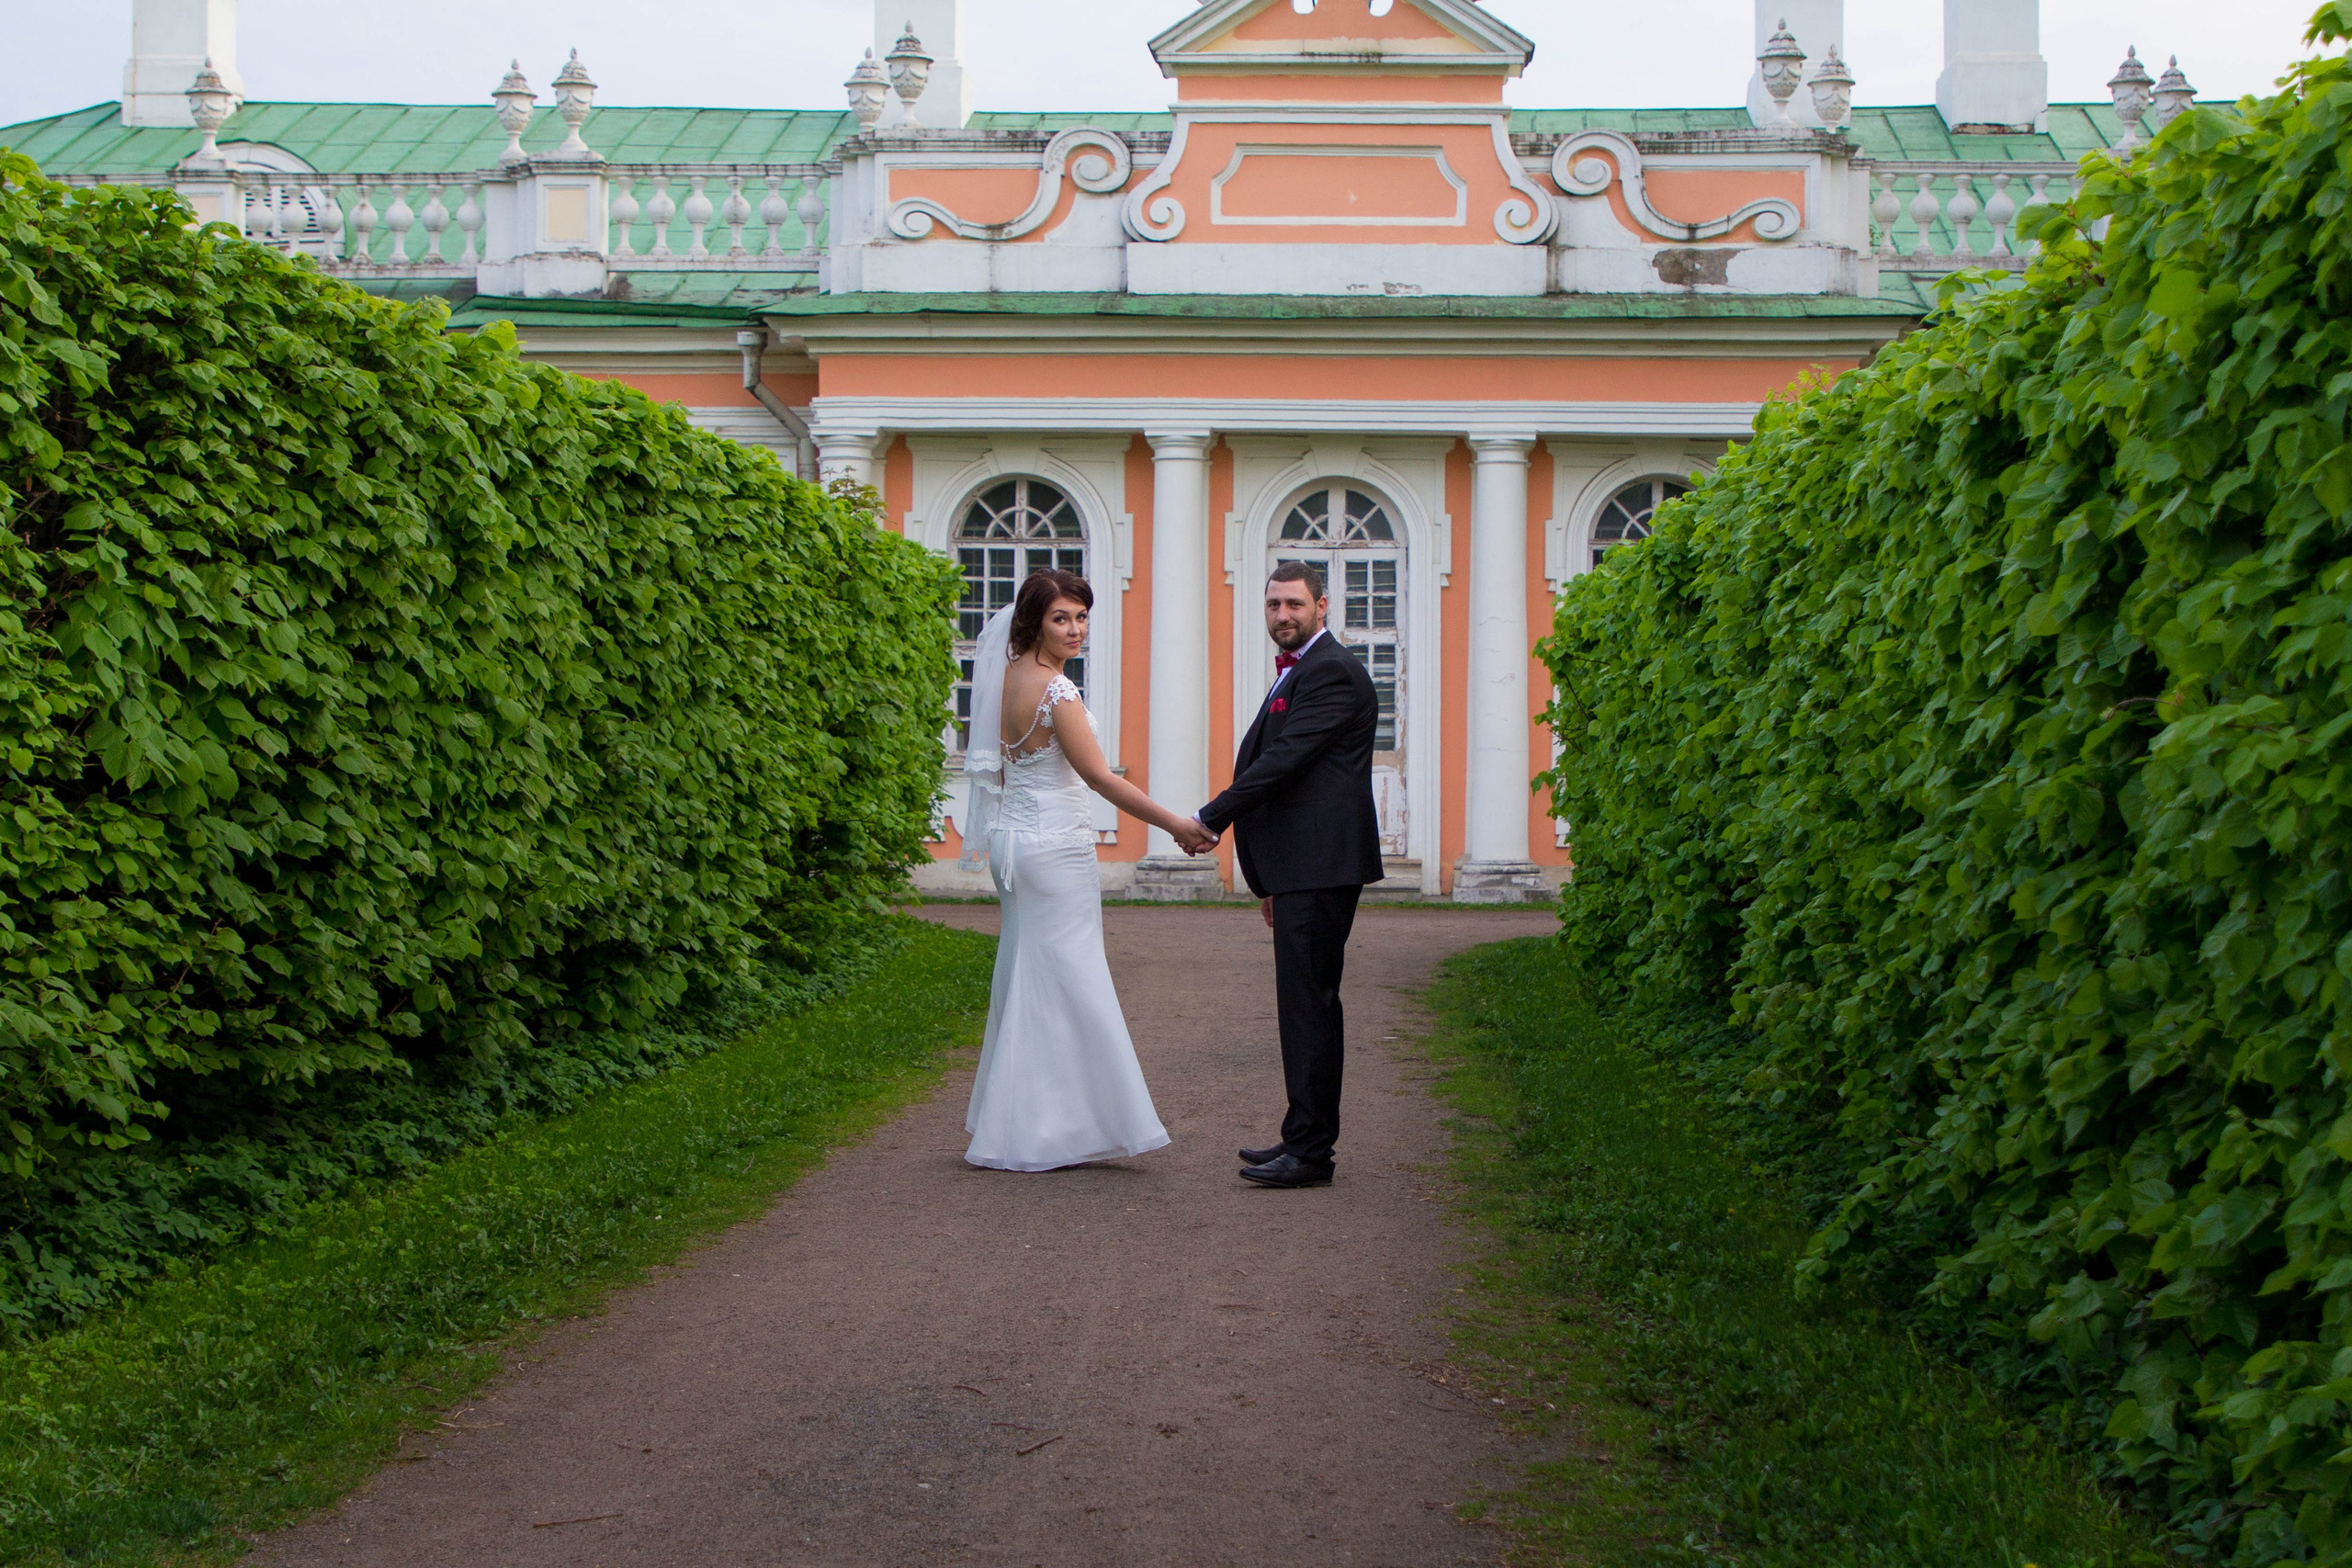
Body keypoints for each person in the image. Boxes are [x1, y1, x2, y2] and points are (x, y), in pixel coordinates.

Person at [961, 569, 1218, 1171]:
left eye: (1081, 617)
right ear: (1034, 621)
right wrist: (1176, 823)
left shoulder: (1003, 678)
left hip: (1013, 844)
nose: (1075, 629)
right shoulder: (1056, 693)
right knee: (1076, 983)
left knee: (1027, 979)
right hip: (1054, 847)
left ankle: (1022, 1122)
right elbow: (1101, 777)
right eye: (1061, 618)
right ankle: (1064, 1126)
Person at [1196, 562, 1385, 1190]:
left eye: (1295, 604)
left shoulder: (1329, 670)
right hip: (1304, 866)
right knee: (1306, 1005)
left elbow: (1285, 761)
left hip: (1320, 862)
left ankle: (1309, 1152)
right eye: (1274, 603)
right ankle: (1302, 1136)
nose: (1283, 614)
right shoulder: (1304, 669)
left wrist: (1211, 817)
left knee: (1309, 1006)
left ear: (1322, 605)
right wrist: (1270, 877)